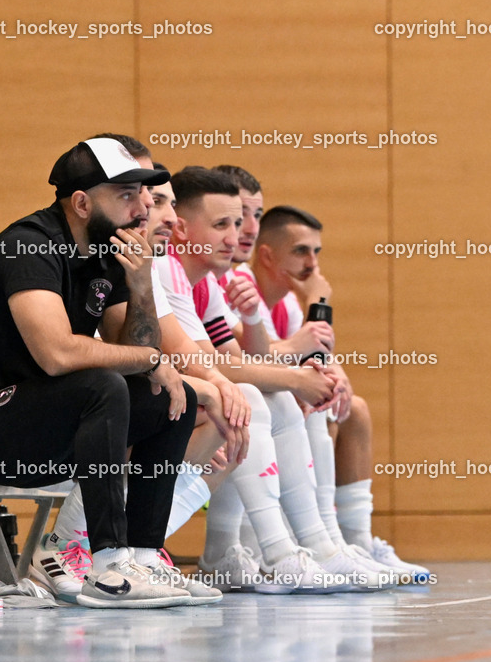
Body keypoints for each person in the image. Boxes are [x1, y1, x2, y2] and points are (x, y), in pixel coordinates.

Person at [0, 137, 202, 609]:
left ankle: (145, 555)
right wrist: (154, 361)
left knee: (172, 397)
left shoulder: (110, 255)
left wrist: (141, 284)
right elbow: (57, 356)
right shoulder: (27, 246)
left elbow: (135, 350)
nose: (145, 206)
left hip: (35, 425)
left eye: (145, 193)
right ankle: (106, 564)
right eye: (127, 194)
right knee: (105, 384)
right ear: (83, 203)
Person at [160, 166, 387, 592]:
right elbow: (218, 363)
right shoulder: (176, 270)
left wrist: (297, 373)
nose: (240, 232)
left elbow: (231, 359)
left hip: (174, 397)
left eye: (248, 217)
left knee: (272, 398)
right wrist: (298, 373)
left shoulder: (208, 283)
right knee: (254, 399)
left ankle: (317, 545)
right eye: (226, 221)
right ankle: (270, 549)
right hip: (136, 400)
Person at [242, 202, 431, 583]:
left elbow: (313, 355)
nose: (312, 263)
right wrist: (318, 306)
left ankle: (353, 539)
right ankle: (314, 538)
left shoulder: (288, 305)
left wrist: (336, 378)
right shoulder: (243, 292)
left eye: (317, 252)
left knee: (352, 408)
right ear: (267, 254)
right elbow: (247, 358)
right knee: (305, 405)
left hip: (279, 402)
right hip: (251, 409)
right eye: (301, 251)